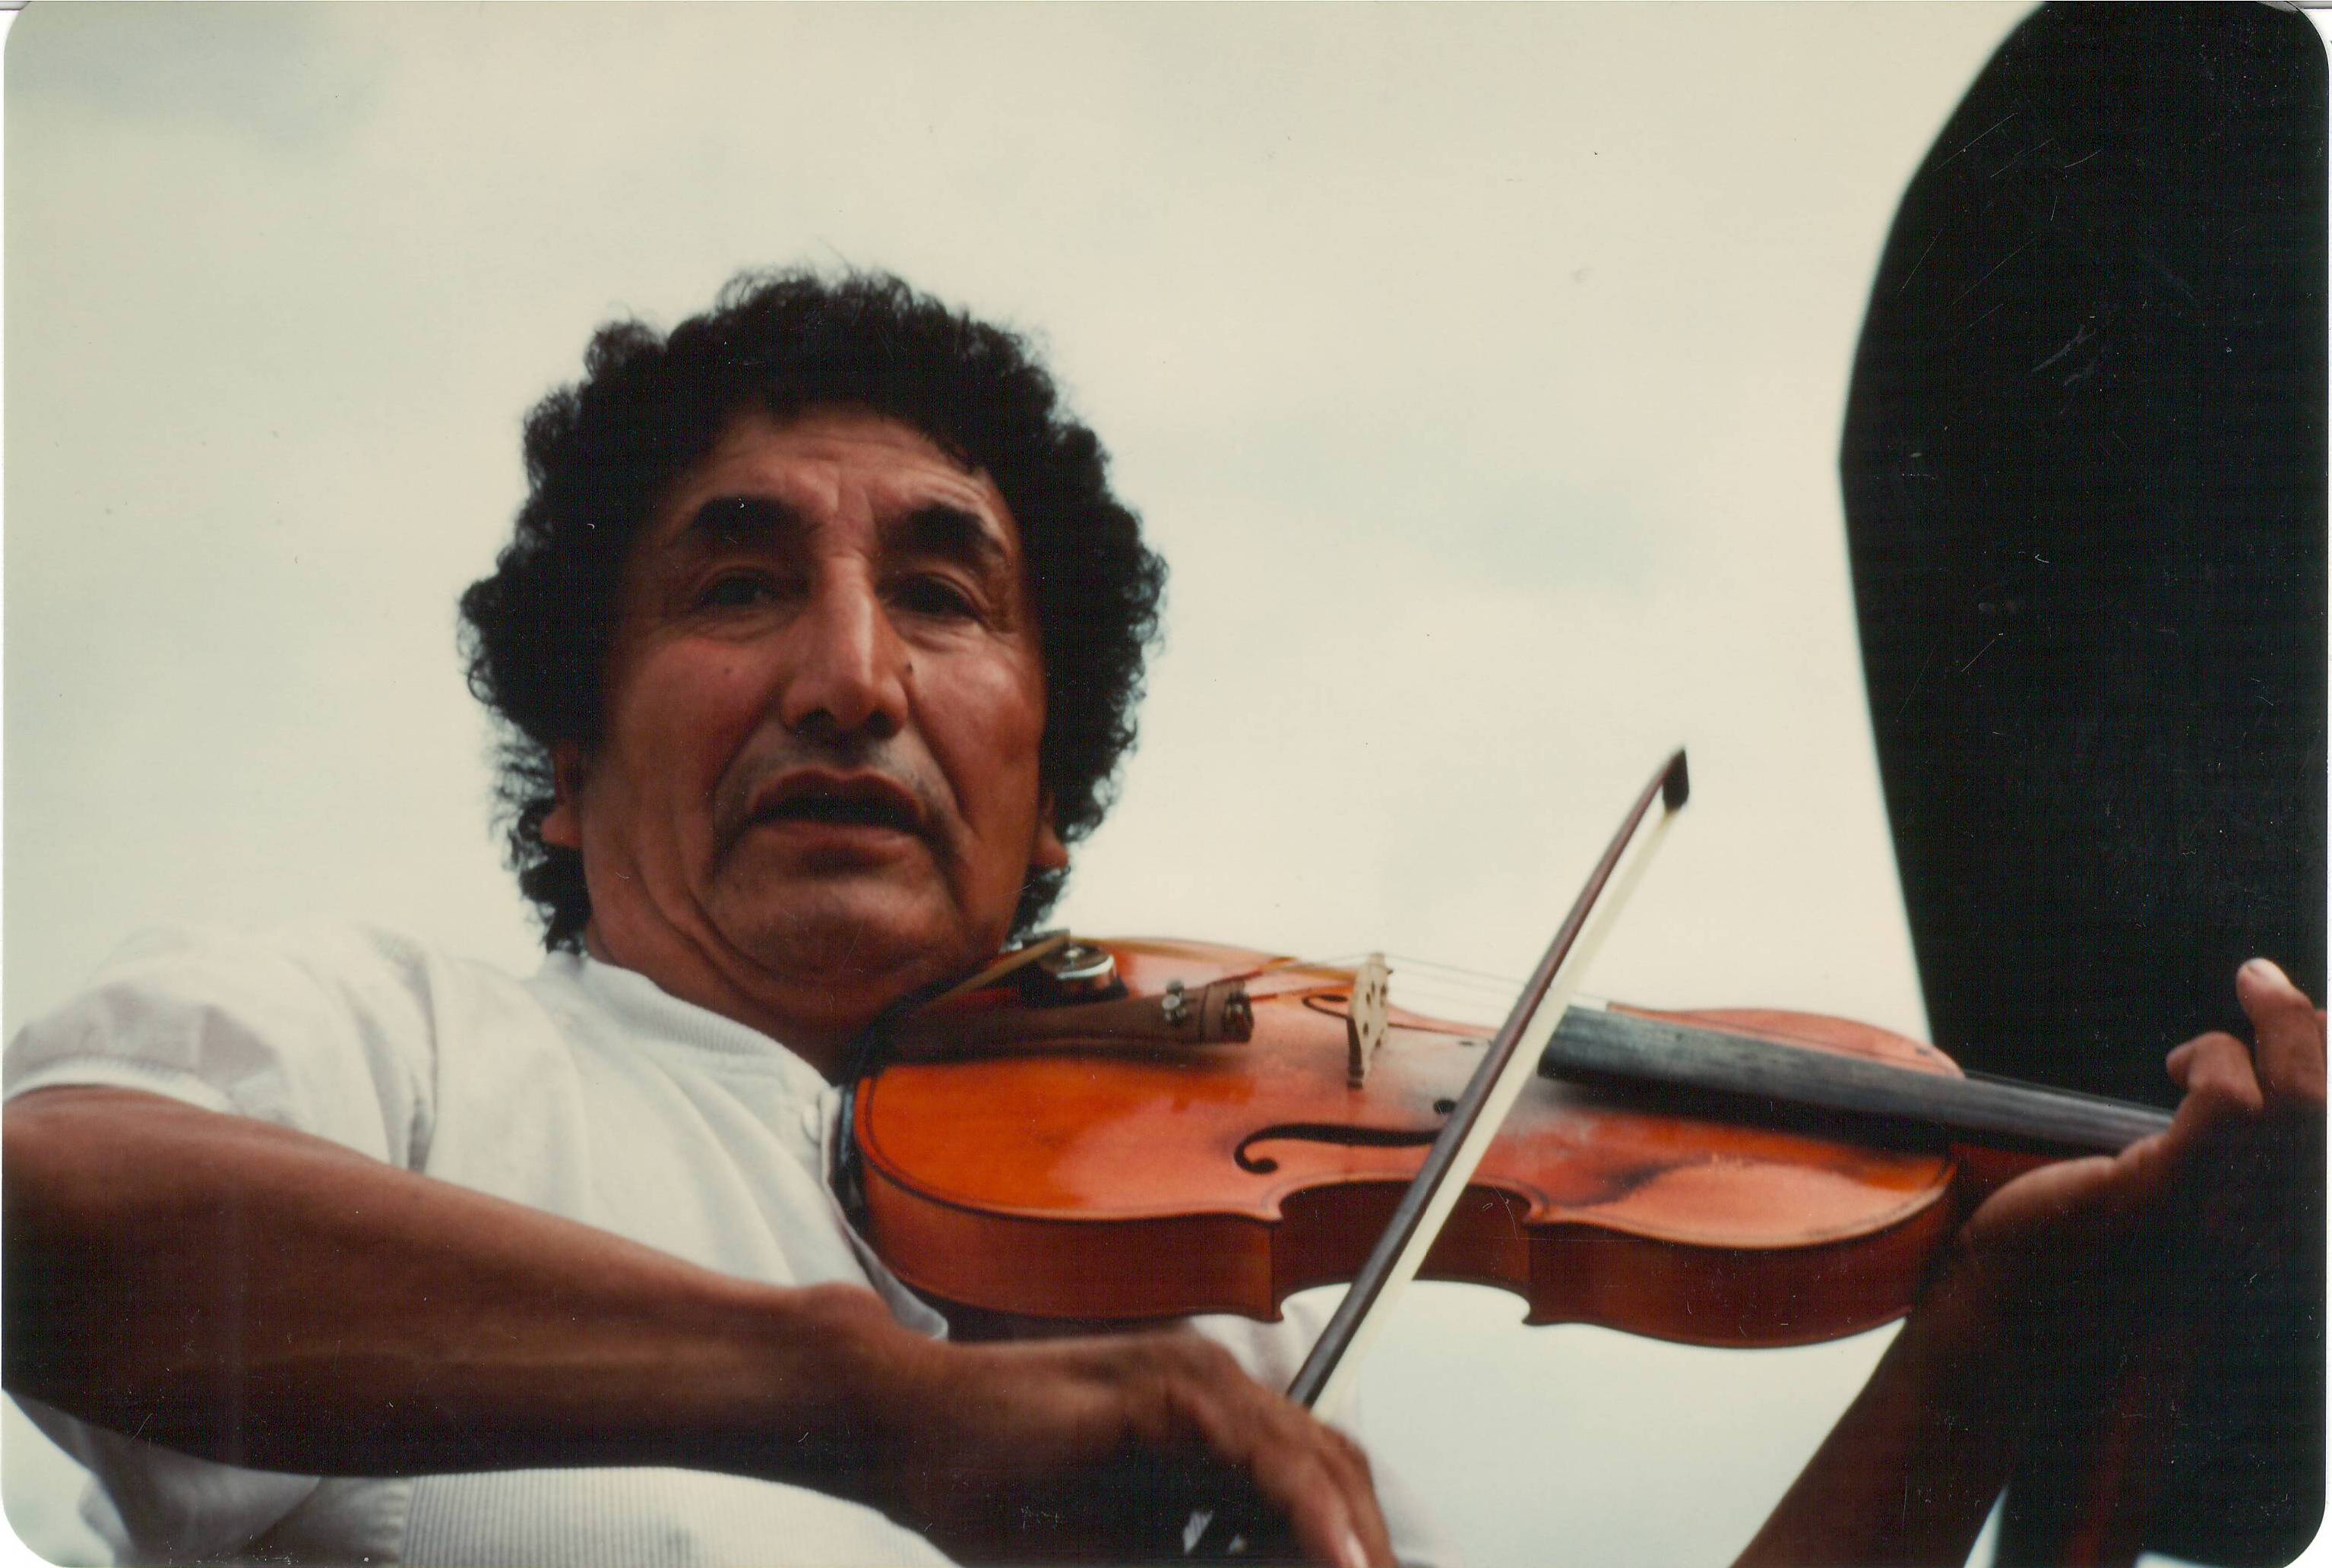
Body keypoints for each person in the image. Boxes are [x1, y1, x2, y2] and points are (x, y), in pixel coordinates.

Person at [6, 270, 2321, 1568]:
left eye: (945, 596)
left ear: (1040, 784)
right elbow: (50, 1222)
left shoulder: (1230, 1414)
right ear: (569, 758)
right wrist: (862, 1407)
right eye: (739, 584)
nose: (849, 676)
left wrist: (2012, 1331)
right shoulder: (403, 1048)